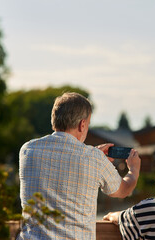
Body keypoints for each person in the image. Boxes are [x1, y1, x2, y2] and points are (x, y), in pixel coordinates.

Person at [17, 92, 141, 240]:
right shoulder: (93, 158)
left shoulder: (27, 150)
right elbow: (123, 190)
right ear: (82, 125)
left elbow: (61, 162)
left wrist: (93, 155)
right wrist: (134, 169)